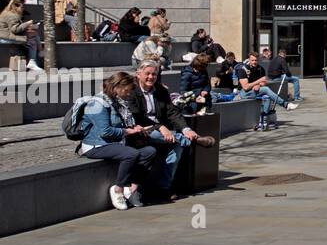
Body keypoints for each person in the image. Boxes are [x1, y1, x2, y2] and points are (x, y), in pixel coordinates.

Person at [124, 60, 217, 199]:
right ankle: (194, 140)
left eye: (154, 74)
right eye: (147, 74)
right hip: (140, 130)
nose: (151, 77)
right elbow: (137, 116)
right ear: (138, 74)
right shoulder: (131, 91)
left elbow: (172, 112)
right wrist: (160, 127)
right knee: (174, 139)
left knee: (177, 146)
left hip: (161, 131)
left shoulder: (160, 90)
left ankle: (163, 187)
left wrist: (186, 129)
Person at [75, 72, 158, 210]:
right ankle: (118, 189)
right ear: (117, 87)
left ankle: (132, 188)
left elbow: (118, 124)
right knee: (131, 154)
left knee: (149, 151)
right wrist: (127, 131)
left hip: (114, 143)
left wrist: (133, 127)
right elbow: (105, 131)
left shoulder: (115, 102)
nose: (129, 94)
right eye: (127, 90)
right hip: (95, 145)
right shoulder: (97, 104)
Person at [235, 51, 299, 128]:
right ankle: (286, 105)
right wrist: (258, 82)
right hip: (244, 93)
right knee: (265, 89)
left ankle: (264, 120)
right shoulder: (243, 70)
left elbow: (264, 82)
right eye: (252, 60)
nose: (254, 62)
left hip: (256, 91)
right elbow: (245, 87)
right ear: (249, 60)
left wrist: (258, 85)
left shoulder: (260, 69)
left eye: (256, 60)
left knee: (267, 97)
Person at [0, 0, 41, 71]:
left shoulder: (8, 13)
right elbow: (15, 30)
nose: (23, 9)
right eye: (22, 7)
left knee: (34, 34)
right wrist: (28, 23)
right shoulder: (12, 16)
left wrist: (28, 26)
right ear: (16, 7)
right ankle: (33, 61)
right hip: (3, 38)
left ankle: (35, 58)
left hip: (5, 36)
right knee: (32, 40)